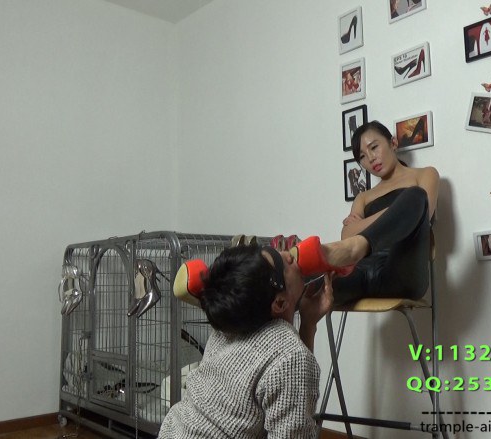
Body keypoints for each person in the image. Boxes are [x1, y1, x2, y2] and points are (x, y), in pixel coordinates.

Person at [159, 244, 334, 439]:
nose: (288, 254)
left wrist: (308, 324)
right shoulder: (291, 355)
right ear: (279, 303)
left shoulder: (227, 326)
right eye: (281, 263)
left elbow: (290, 380)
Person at [287, 121, 439, 305]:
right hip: (362, 270)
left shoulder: (425, 175)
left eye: (374, 147)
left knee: (416, 197)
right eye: (362, 157)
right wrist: (394, 212)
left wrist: (360, 225)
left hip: (401, 271)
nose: (371, 159)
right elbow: (346, 235)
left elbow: (424, 214)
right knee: (299, 286)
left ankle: (356, 248)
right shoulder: (363, 197)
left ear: (393, 143)